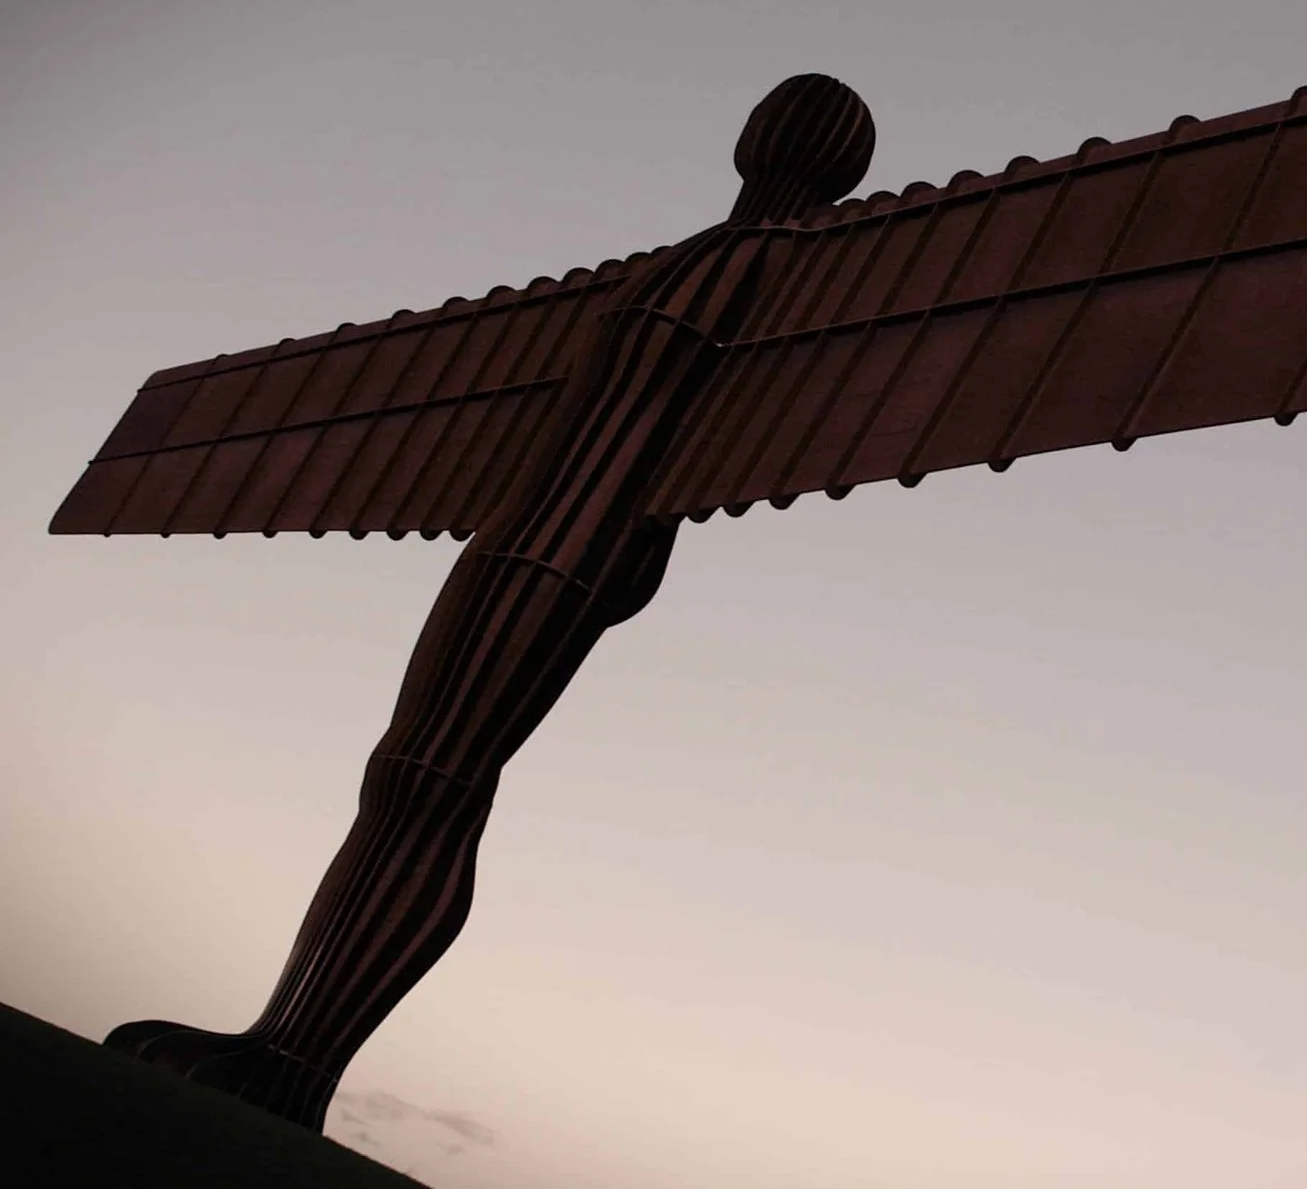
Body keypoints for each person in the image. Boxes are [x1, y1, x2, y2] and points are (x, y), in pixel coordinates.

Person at [106, 75, 876, 1129]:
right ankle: (283, 1039)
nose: (766, 132)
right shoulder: (691, 254)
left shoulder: (816, 268)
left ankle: (302, 1057)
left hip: (578, 543)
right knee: (406, 768)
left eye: (784, 122)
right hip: (517, 534)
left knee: (443, 775)